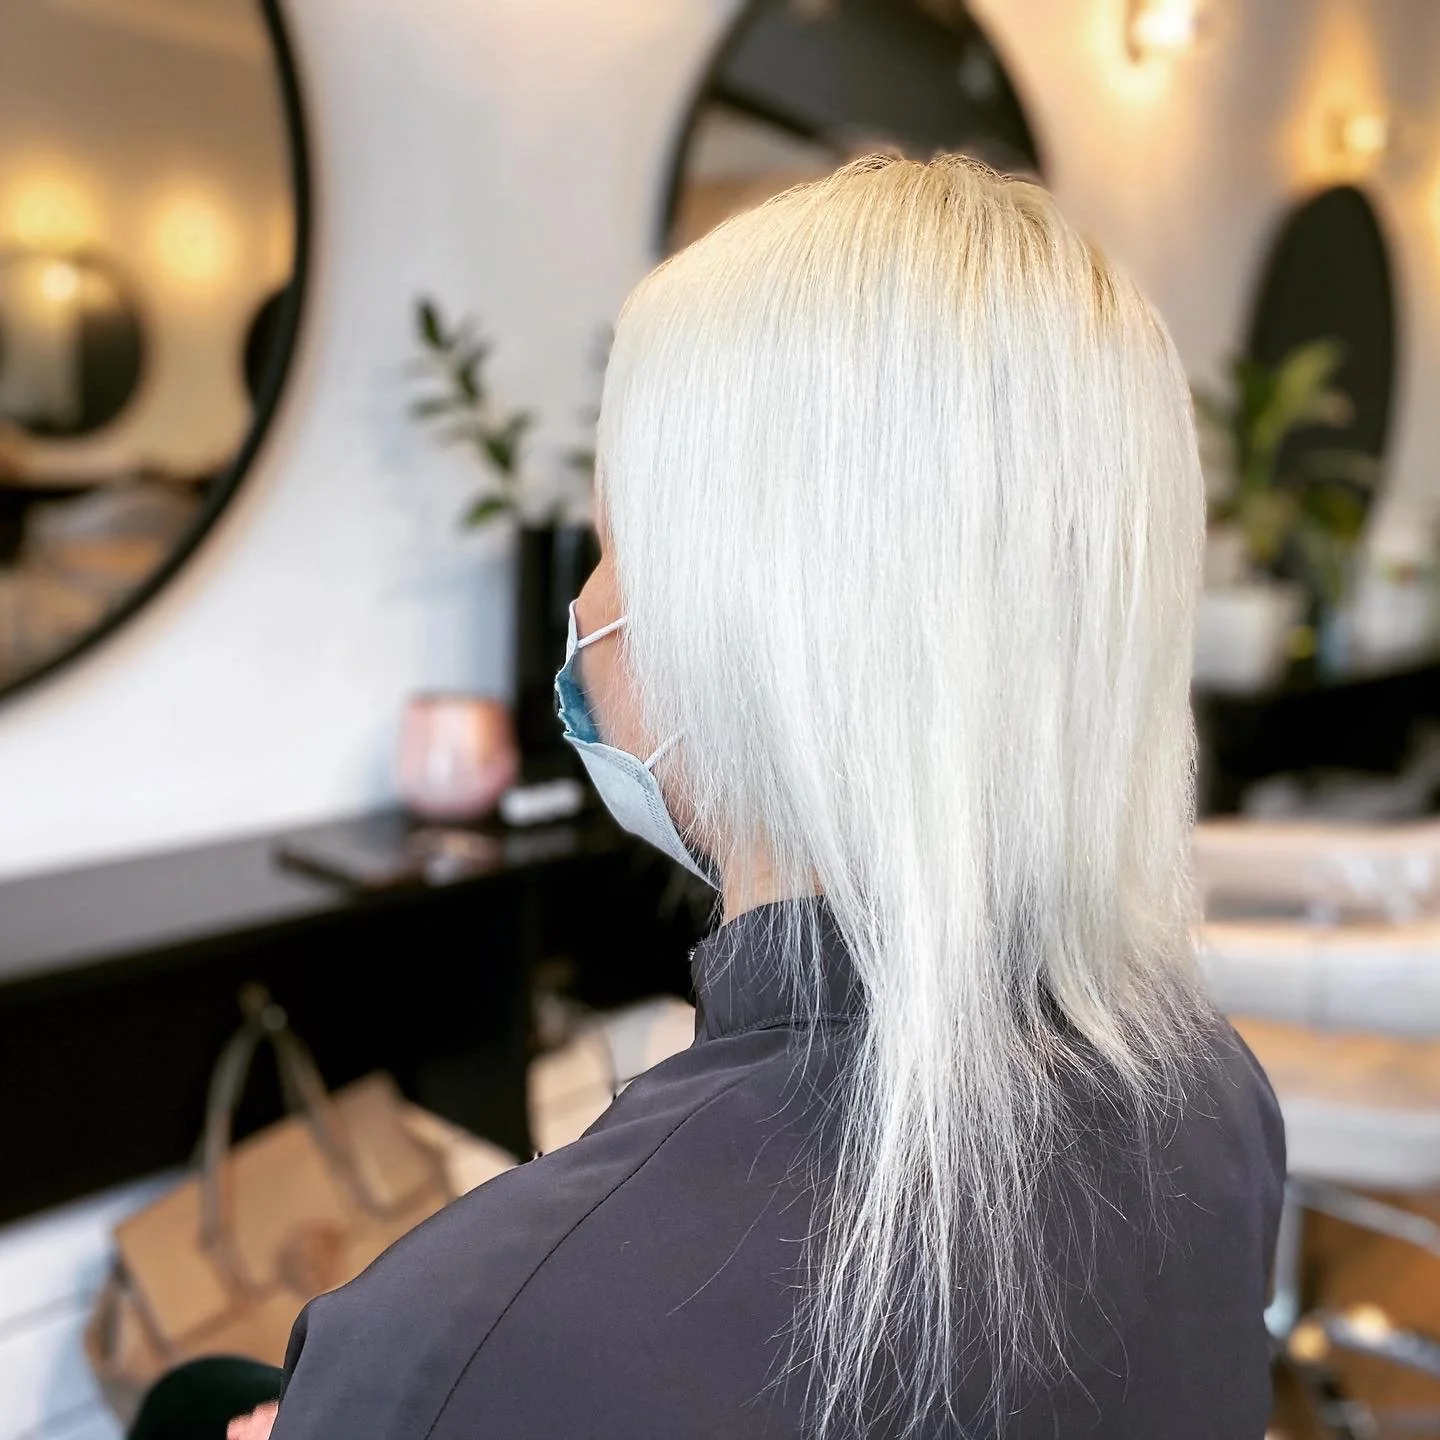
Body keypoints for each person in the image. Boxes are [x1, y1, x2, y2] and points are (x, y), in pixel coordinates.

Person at [214, 154, 1283, 1440]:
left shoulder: (456, 1333)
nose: (588, 608)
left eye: (610, 543)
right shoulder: (1217, 1096)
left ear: (745, 627)